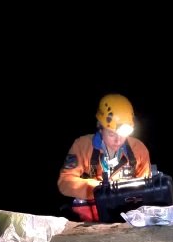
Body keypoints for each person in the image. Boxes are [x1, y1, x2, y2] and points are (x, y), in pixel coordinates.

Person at [58, 94, 152, 222]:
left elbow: (146, 189)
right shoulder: (82, 146)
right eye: (111, 134)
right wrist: (96, 189)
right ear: (100, 128)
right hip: (91, 219)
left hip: (127, 217)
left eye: (123, 134)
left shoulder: (138, 150)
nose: (118, 140)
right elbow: (64, 182)